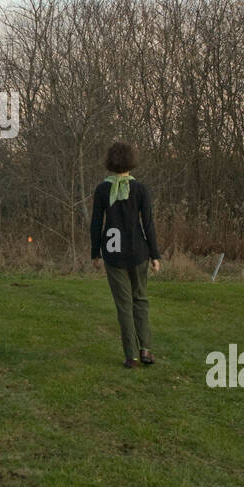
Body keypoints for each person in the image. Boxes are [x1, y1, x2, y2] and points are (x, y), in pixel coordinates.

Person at [90, 141, 161, 369]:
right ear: (132, 161)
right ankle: (146, 349)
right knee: (140, 300)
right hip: (138, 251)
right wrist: (155, 255)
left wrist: (95, 253)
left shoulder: (102, 190)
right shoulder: (141, 190)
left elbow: (96, 224)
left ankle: (130, 356)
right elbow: (148, 225)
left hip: (113, 254)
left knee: (124, 305)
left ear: (110, 162)